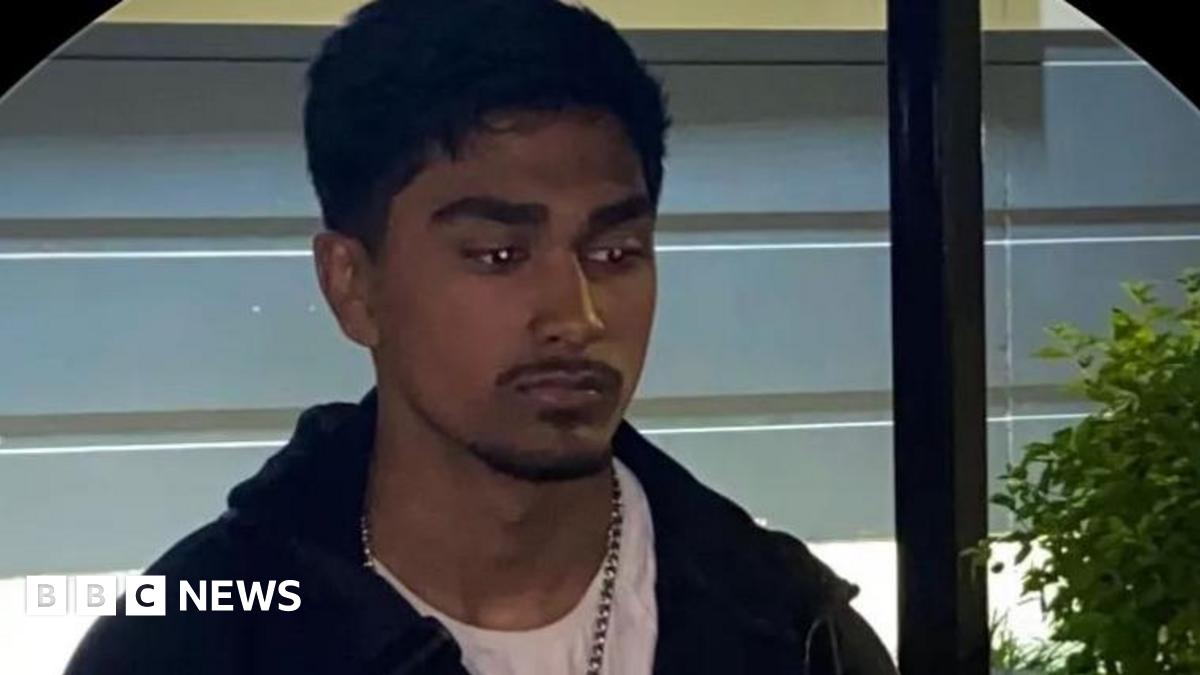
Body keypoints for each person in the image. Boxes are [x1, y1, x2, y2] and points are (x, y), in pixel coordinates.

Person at [65, 0, 896, 673]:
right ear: (353, 286)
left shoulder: (792, 632)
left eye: (614, 252)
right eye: (499, 254)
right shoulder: (194, 640)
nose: (578, 315)